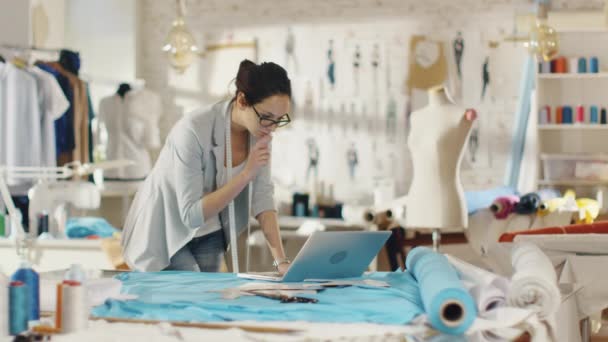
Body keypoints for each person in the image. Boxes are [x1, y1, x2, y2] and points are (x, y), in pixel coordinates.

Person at [121, 60, 293, 274]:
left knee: (210, 299)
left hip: (210, 231)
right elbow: (191, 215)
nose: (273, 128)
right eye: (267, 118)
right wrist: (246, 174)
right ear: (242, 100)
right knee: (190, 290)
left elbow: (263, 198)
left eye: (280, 120)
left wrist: (281, 262)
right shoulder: (192, 130)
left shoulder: (260, 133)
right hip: (165, 231)